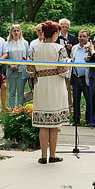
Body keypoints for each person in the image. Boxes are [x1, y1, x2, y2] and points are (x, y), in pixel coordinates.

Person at [28, 21, 70, 164]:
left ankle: (43, 155)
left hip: (41, 85)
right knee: (54, 123)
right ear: (55, 34)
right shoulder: (60, 48)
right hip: (56, 85)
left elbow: (29, 69)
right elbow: (63, 70)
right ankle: (53, 154)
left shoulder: (34, 48)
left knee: (43, 124)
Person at [4, 24, 31, 110]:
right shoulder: (6, 43)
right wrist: (9, 65)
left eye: (17, 31)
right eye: (14, 31)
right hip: (11, 71)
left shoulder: (25, 43)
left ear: (20, 32)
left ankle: (19, 110)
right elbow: (5, 57)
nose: (16, 32)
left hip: (22, 70)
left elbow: (27, 57)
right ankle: (12, 110)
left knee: (20, 92)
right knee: (12, 92)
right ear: (11, 32)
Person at [70, 29, 92, 126]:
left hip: (86, 77)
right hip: (76, 77)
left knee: (88, 99)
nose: (82, 38)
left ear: (87, 37)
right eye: (80, 36)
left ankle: (88, 120)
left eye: (84, 36)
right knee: (76, 100)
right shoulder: (74, 48)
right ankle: (76, 119)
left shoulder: (90, 48)